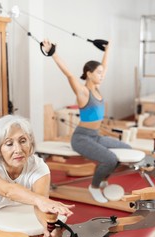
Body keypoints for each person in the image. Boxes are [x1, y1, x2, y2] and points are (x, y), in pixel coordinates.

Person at [42, 39, 131, 204]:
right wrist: (53, 53)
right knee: (110, 159)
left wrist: (108, 49)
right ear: (89, 74)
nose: (102, 75)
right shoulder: (83, 92)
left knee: (127, 149)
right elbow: (69, 74)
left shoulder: (97, 88)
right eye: (98, 73)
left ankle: (102, 176)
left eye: (102, 73)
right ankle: (95, 187)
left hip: (95, 136)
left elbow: (104, 65)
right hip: (81, 138)